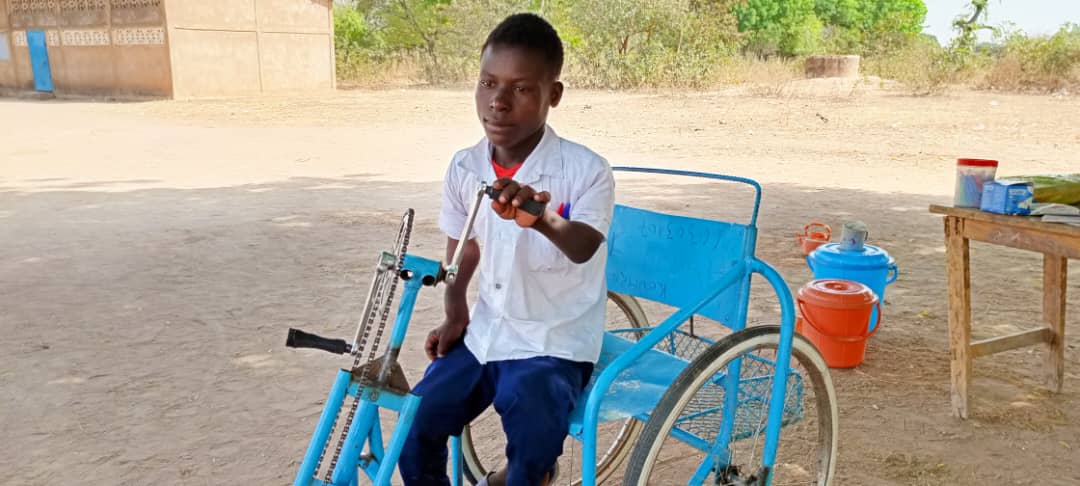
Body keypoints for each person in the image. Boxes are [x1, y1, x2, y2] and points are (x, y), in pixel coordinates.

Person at [397, 12, 616, 486]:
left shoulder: (586, 171)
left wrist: (542, 219)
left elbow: (583, 246)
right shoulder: (465, 166)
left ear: (552, 95)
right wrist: (455, 313)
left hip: (551, 343)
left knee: (531, 453)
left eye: (520, 89)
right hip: (486, 335)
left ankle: (530, 474)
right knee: (413, 431)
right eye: (487, 83)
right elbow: (463, 251)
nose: (497, 102)